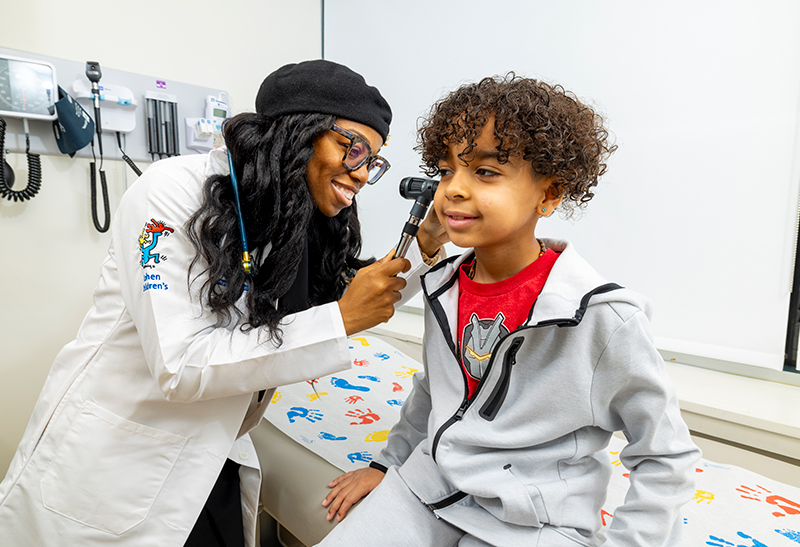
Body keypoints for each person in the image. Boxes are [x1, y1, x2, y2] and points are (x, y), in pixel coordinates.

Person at [0, 60, 445, 547]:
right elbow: (180, 365)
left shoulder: (288, 212)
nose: (361, 175)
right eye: (353, 148)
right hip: (117, 459)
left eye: (373, 161)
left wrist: (424, 245)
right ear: (297, 132)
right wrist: (340, 319)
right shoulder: (169, 192)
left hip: (217, 452)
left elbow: (338, 295)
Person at [318, 74, 701, 546]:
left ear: (549, 194)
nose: (452, 190)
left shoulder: (602, 317)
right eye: (445, 170)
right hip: (428, 487)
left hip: (531, 520)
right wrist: (389, 464)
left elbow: (664, 455)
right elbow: (435, 390)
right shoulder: (443, 284)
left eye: (485, 172)